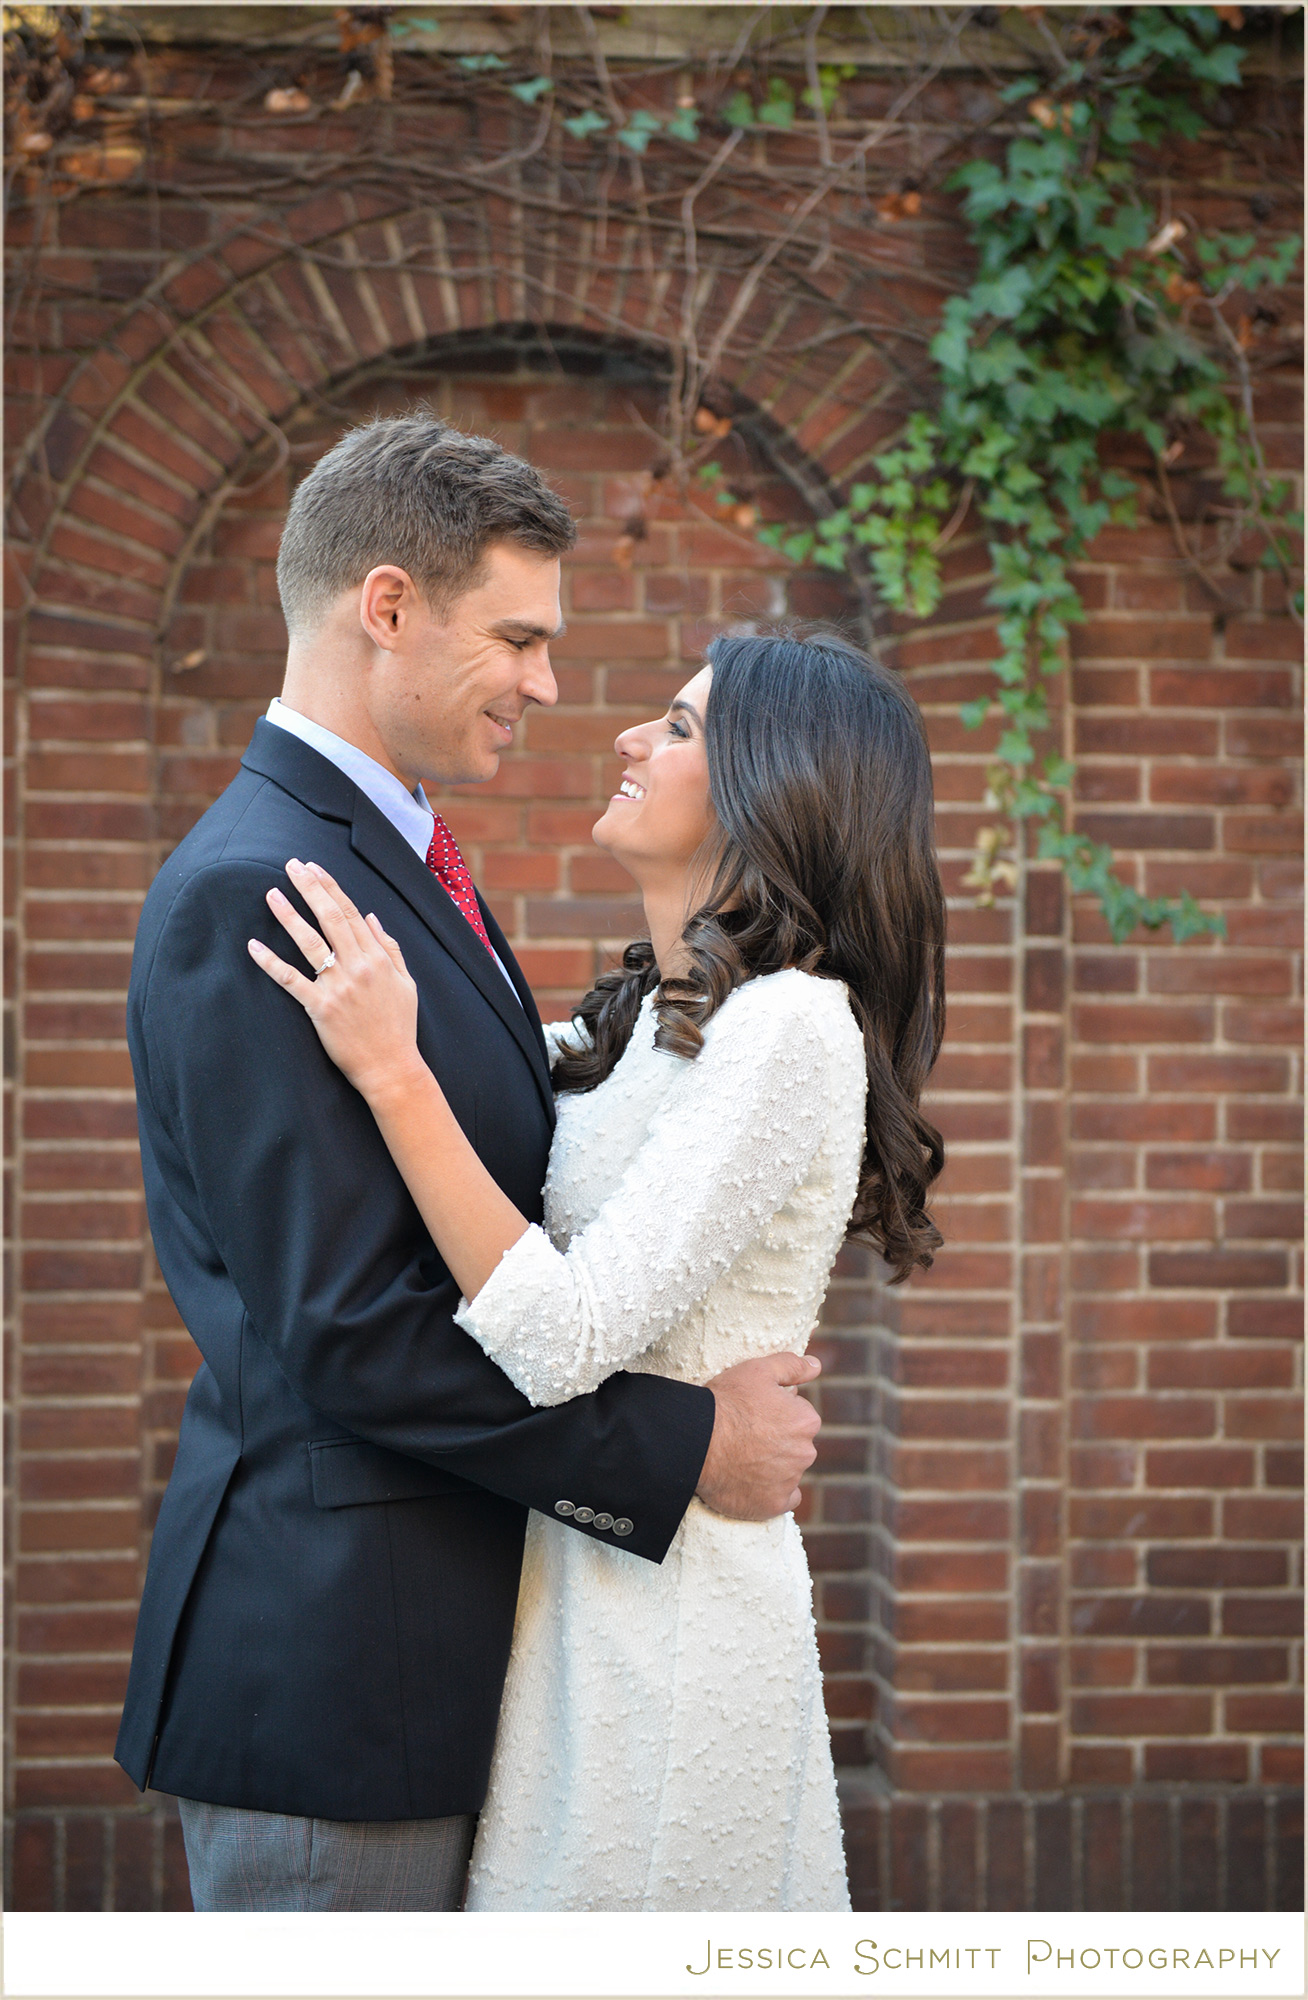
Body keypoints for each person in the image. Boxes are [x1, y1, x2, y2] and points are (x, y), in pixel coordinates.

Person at [115, 416, 827, 1914]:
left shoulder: (403, 856)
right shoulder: (257, 888)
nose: (552, 685)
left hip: (465, 1673)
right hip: (341, 1685)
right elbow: (351, 1333)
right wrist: (683, 1447)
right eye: (517, 636)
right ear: (387, 609)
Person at [251, 626, 947, 1911]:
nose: (629, 736)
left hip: (668, 1630)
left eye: (678, 727)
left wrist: (391, 1069)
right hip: (564, 1605)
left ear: (772, 787)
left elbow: (563, 1334)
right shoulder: (625, 1026)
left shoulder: (791, 1024)